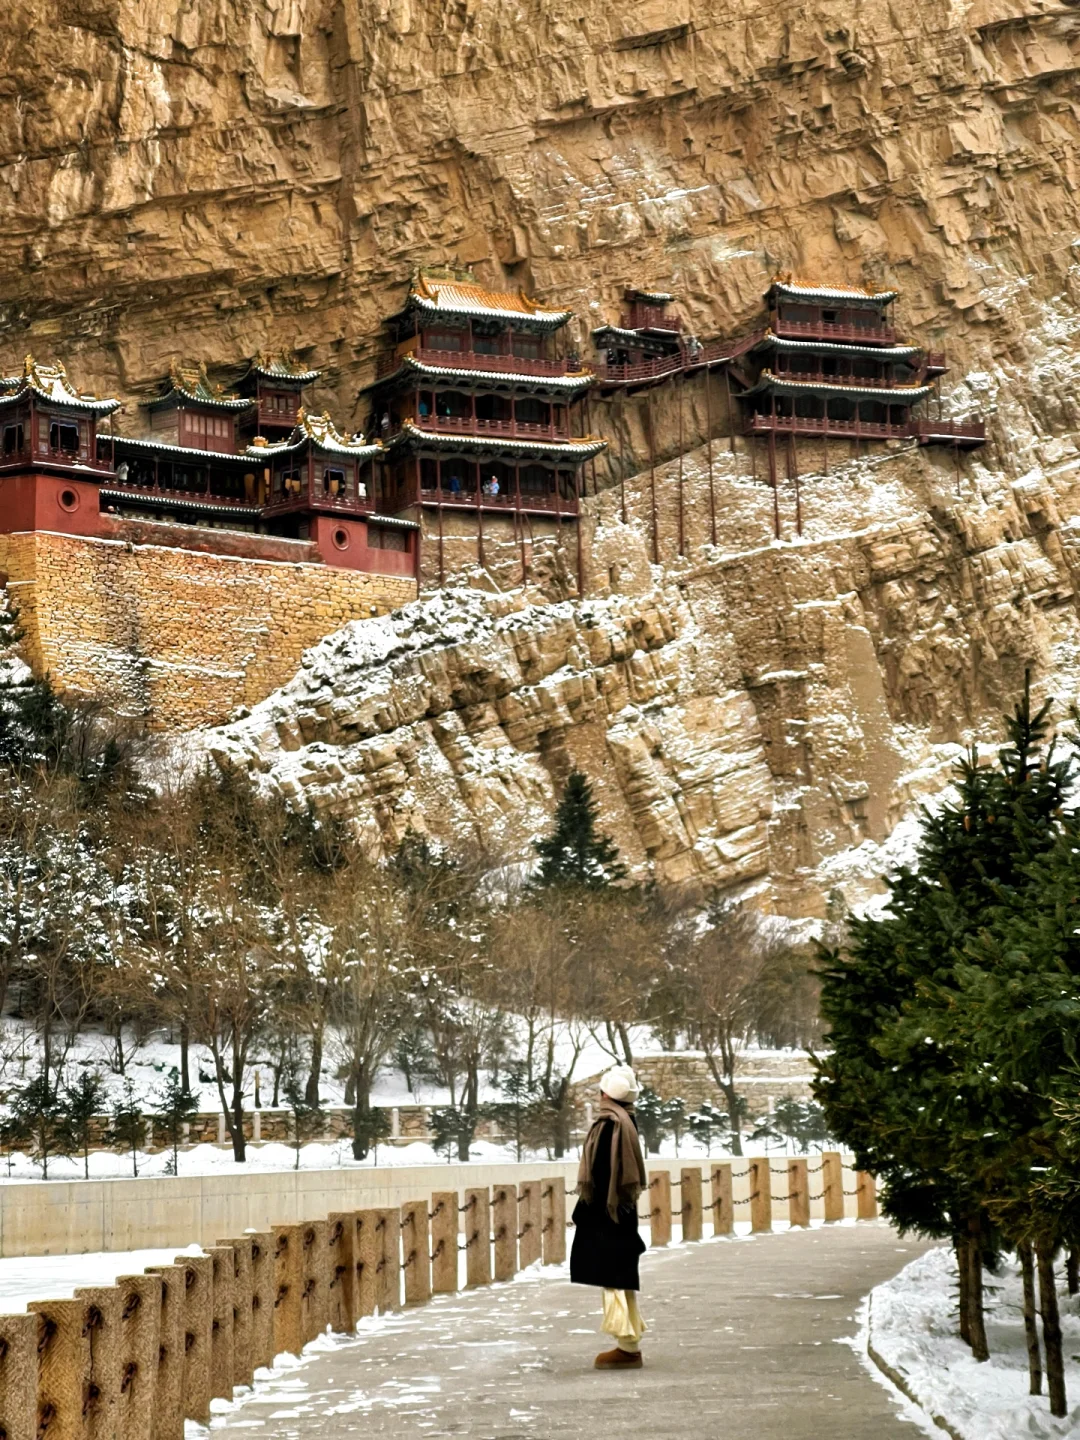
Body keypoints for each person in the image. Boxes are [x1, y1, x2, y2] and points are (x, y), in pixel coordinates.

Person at [570, 1064, 648, 1369]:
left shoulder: (609, 1124)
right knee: (618, 1275)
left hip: (608, 1214)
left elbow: (602, 1175)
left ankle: (628, 1348)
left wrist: (586, 1213)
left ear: (606, 1093)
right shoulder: (627, 1121)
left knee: (613, 1276)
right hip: (621, 1211)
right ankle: (629, 1344)